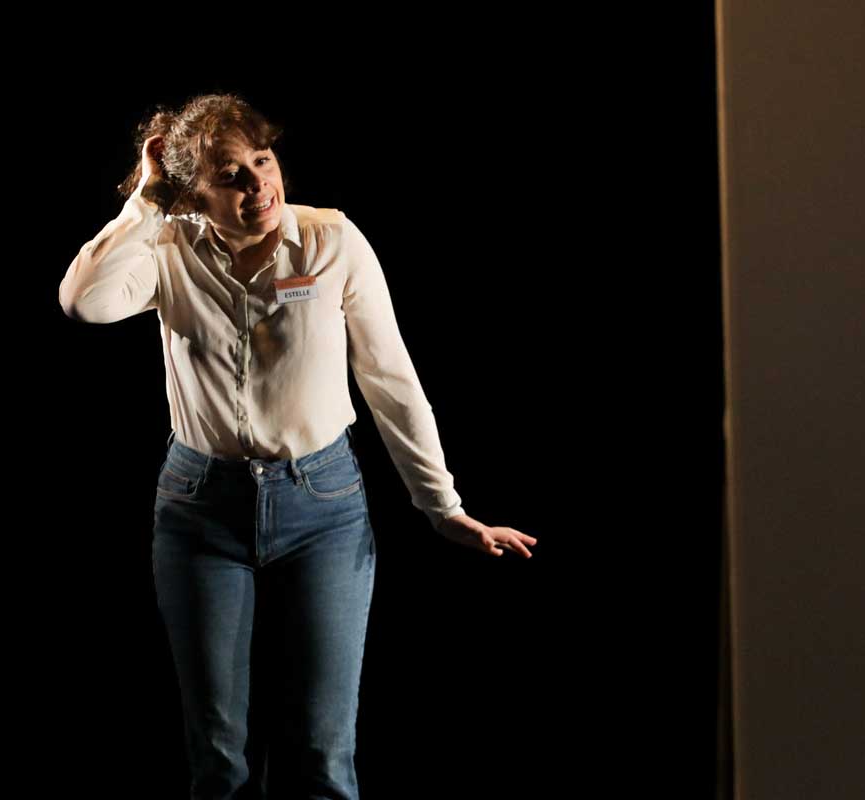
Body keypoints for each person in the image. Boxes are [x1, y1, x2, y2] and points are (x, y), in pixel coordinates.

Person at [58, 93, 537, 799]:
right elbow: (85, 302)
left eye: (262, 160)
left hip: (323, 507)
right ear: (194, 192)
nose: (258, 185)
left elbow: (390, 379)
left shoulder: (330, 239)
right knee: (218, 759)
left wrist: (442, 506)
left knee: (322, 754)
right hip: (201, 509)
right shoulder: (166, 248)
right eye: (230, 175)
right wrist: (147, 200)